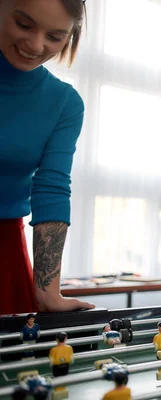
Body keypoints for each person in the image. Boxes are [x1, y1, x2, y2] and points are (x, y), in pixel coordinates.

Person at [0, 0, 94, 315]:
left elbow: (51, 187)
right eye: (24, 25)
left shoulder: (64, 103)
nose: (35, 45)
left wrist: (48, 293)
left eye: (54, 36)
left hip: (5, 250)